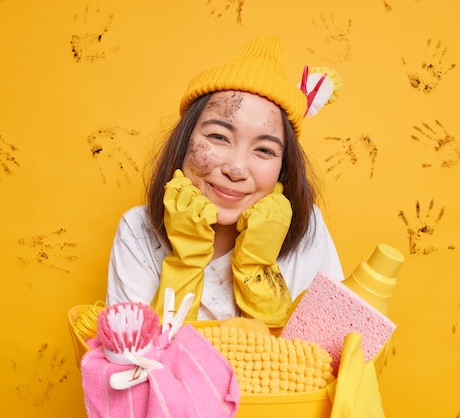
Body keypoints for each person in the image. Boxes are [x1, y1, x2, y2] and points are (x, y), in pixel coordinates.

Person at [106, 36, 345, 327]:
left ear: (283, 167)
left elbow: (326, 356)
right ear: (185, 140)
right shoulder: (137, 230)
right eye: (218, 137)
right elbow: (131, 363)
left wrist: (257, 265)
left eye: (265, 150)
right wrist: (187, 261)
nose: (236, 169)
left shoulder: (308, 226)